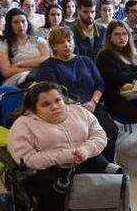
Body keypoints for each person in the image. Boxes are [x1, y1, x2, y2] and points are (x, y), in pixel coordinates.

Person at [7, 82, 112, 211]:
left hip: (83, 158)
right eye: (46, 104)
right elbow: (26, 157)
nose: (55, 107)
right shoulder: (23, 125)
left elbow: (99, 136)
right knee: (53, 195)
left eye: (58, 100)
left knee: (109, 178)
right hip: (49, 169)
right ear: (34, 108)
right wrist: (65, 156)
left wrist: (86, 150)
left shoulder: (79, 112)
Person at [34, 27, 119, 162]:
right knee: (82, 135)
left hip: (91, 105)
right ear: (53, 46)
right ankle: (90, 163)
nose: (67, 45)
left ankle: (107, 163)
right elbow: (51, 94)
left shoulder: (86, 61)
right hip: (67, 110)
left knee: (111, 129)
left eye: (69, 40)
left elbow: (100, 84)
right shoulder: (48, 66)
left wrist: (93, 102)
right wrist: (73, 105)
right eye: (61, 42)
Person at [96, 20, 137, 125]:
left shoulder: (132, 53)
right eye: (117, 34)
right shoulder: (105, 55)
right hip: (120, 101)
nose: (122, 38)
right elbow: (117, 78)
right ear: (110, 37)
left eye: (124, 34)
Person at [0, 8, 50, 87]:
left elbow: (46, 59)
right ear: (10, 25)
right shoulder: (4, 45)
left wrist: (20, 64)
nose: (21, 25)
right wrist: (34, 68)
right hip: (17, 81)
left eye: (23, 21)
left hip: (41, 77)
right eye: (16, 22)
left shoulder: (39, 41)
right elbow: (6, 72)